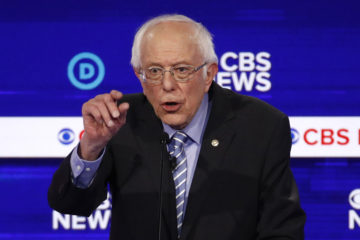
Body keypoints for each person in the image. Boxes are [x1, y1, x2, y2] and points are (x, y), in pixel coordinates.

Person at [48, 14, 306, 240]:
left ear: (209, 74)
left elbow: (282, 230)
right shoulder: (119, 120)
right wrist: (92, 148)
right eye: (155, 71)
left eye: (181, 70)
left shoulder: (261, 126)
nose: (168, 85)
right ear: (139, 75)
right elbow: (71, 205)